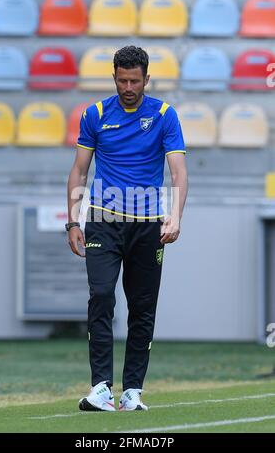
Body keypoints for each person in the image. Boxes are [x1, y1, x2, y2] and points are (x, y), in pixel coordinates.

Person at [66, 46, 188, 412]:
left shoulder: (165, 115)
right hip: (104, 221)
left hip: (148, 226)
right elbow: (79, 171)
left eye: (135, 80)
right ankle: (101, 387)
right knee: (101, 296)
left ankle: (132, 389)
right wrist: (73, 219)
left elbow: (178, 172)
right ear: (114, 77)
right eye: (122, 80)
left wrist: (175, 214)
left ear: (146, 79)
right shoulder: (96, 114)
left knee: (142, 307)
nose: (128, 86)